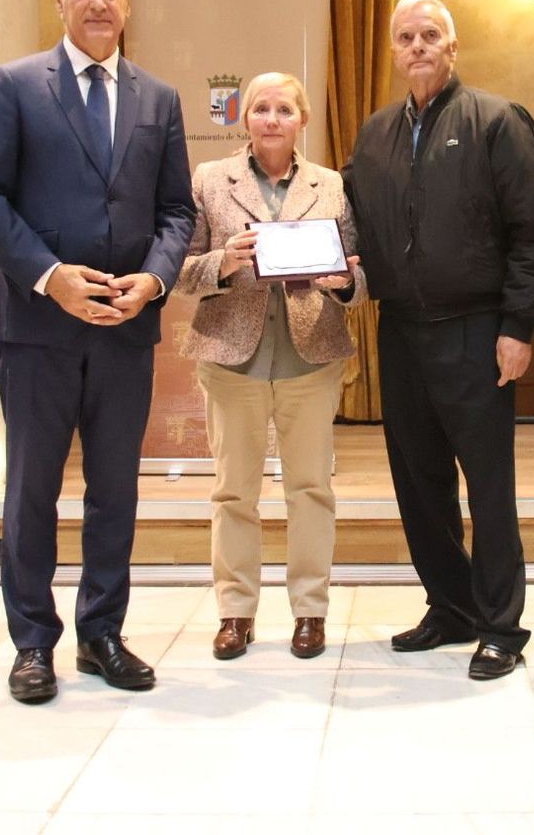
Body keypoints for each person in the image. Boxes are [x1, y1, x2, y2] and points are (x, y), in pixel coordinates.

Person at [0, 0, 196, 703]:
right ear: (61, 1)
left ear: (128, 5)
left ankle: (101, 634)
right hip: (37, 328)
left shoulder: (160, 98)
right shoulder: (15, 85)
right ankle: (33, 642)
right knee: (32, 490)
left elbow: (176, 210)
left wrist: (154, 280)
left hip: (125, 329)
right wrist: (50, 276)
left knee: (115, 491)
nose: (99, 2)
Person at [342, 0, 534, 681]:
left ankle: (501, 625)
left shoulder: (497, 120)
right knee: (419, 483)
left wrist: (518, 326)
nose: (417, 46)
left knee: (489, 487)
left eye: (430, 35)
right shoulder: (374, 134)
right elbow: (350, 222)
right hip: (401, 331)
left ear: (452, 46)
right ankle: (451, 605)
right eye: (405, 36)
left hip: (477, 330)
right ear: (393, 50)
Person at [175, 72, 366, 662]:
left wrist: (344, 282)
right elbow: (178, 269)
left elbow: (357, 272)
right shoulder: (210, 179)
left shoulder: (330, 184)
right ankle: (236, 612)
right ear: (246, 118)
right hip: (233, 361)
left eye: (285, 109)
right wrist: (222, 263)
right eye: (261, 108)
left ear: (303, 119)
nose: (273, 119)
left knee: (311, 490)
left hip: (311, 359)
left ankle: (310, 611)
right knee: (234, 492)